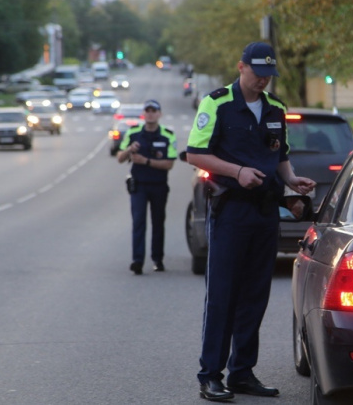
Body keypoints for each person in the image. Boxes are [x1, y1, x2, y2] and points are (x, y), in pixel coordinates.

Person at [186, 41, 316, 401]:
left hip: (265, 212)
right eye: (258, 73)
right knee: (222, 296)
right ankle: (211, 374)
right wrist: (237, 171)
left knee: (255, 296)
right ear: (241, 66)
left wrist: (291, 181)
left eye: (268, 75)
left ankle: (242, 372)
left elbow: (280, 154)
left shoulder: (276, 108)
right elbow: (195, 153)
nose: (263, 81)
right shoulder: (217, 103)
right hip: (231, 210)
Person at [116, 99, 177, 275]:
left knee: (158, 223)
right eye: (147, 110)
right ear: (143, 114)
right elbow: (120, 157)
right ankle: (137, 261)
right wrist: (129, 150)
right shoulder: (133, 133)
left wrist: (146, 161)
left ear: (159, 114)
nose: (150, 114)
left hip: (159, 185)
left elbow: (169, 164)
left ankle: (157, 259)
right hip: (139, 186)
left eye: (154, 111)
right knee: (138, 222)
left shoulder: (167, 135)